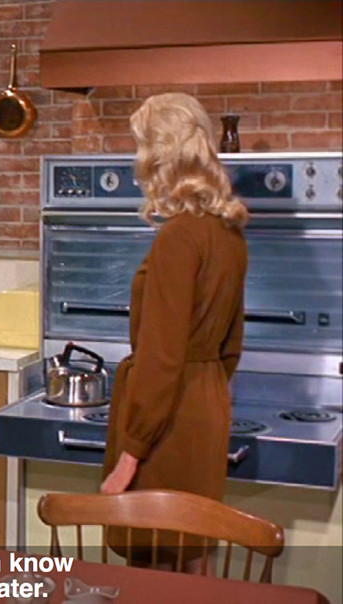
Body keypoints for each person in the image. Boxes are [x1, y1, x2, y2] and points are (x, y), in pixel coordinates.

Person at [100, 93, 249, 571]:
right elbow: (232, 345)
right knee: (191, 558)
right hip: (205, 405)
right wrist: (208, 394)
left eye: (141, 147)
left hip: (166, 419)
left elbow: (160, 357)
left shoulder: (178, 238)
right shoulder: (229, 232)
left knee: (153, 565)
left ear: (160, 155)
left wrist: (131, 454)